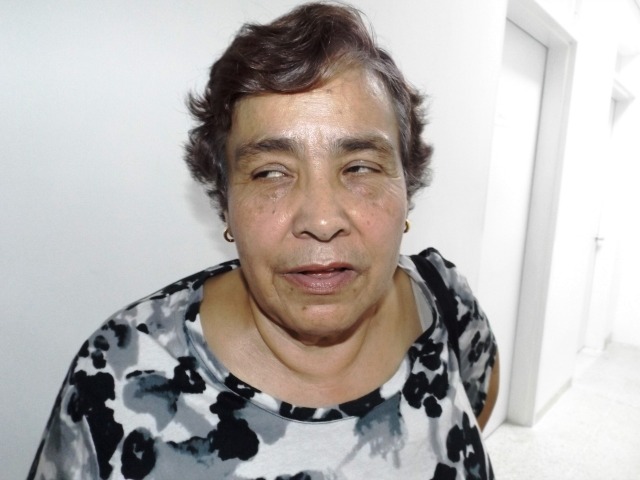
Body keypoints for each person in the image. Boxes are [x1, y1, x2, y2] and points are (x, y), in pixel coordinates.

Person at [29, 2, 499, 479]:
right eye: (271, 173)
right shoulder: (116, 373)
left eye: (359, 167)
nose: (321, 220)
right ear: (225, 202)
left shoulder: (444, 298)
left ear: (407, 188)